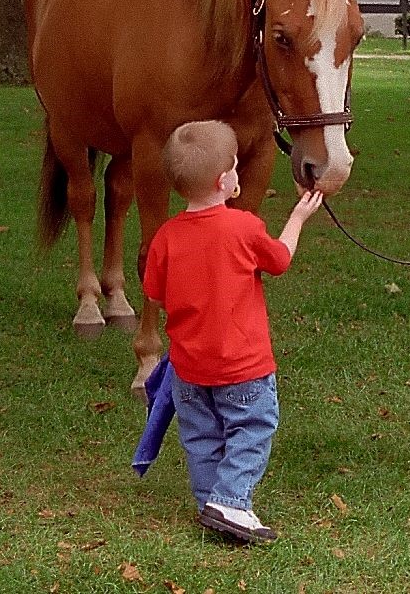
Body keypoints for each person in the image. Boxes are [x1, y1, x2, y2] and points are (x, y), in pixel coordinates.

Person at [143, 119, 323, 542]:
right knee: (251, 430)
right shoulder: (243, 228)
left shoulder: (165, 236)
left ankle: (212, 505)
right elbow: (278, 260)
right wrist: (298, 216)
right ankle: (231, 501)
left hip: (188, 370)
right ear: (226, 181)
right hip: (243, 367)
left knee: (202, 437)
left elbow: (154, 294)